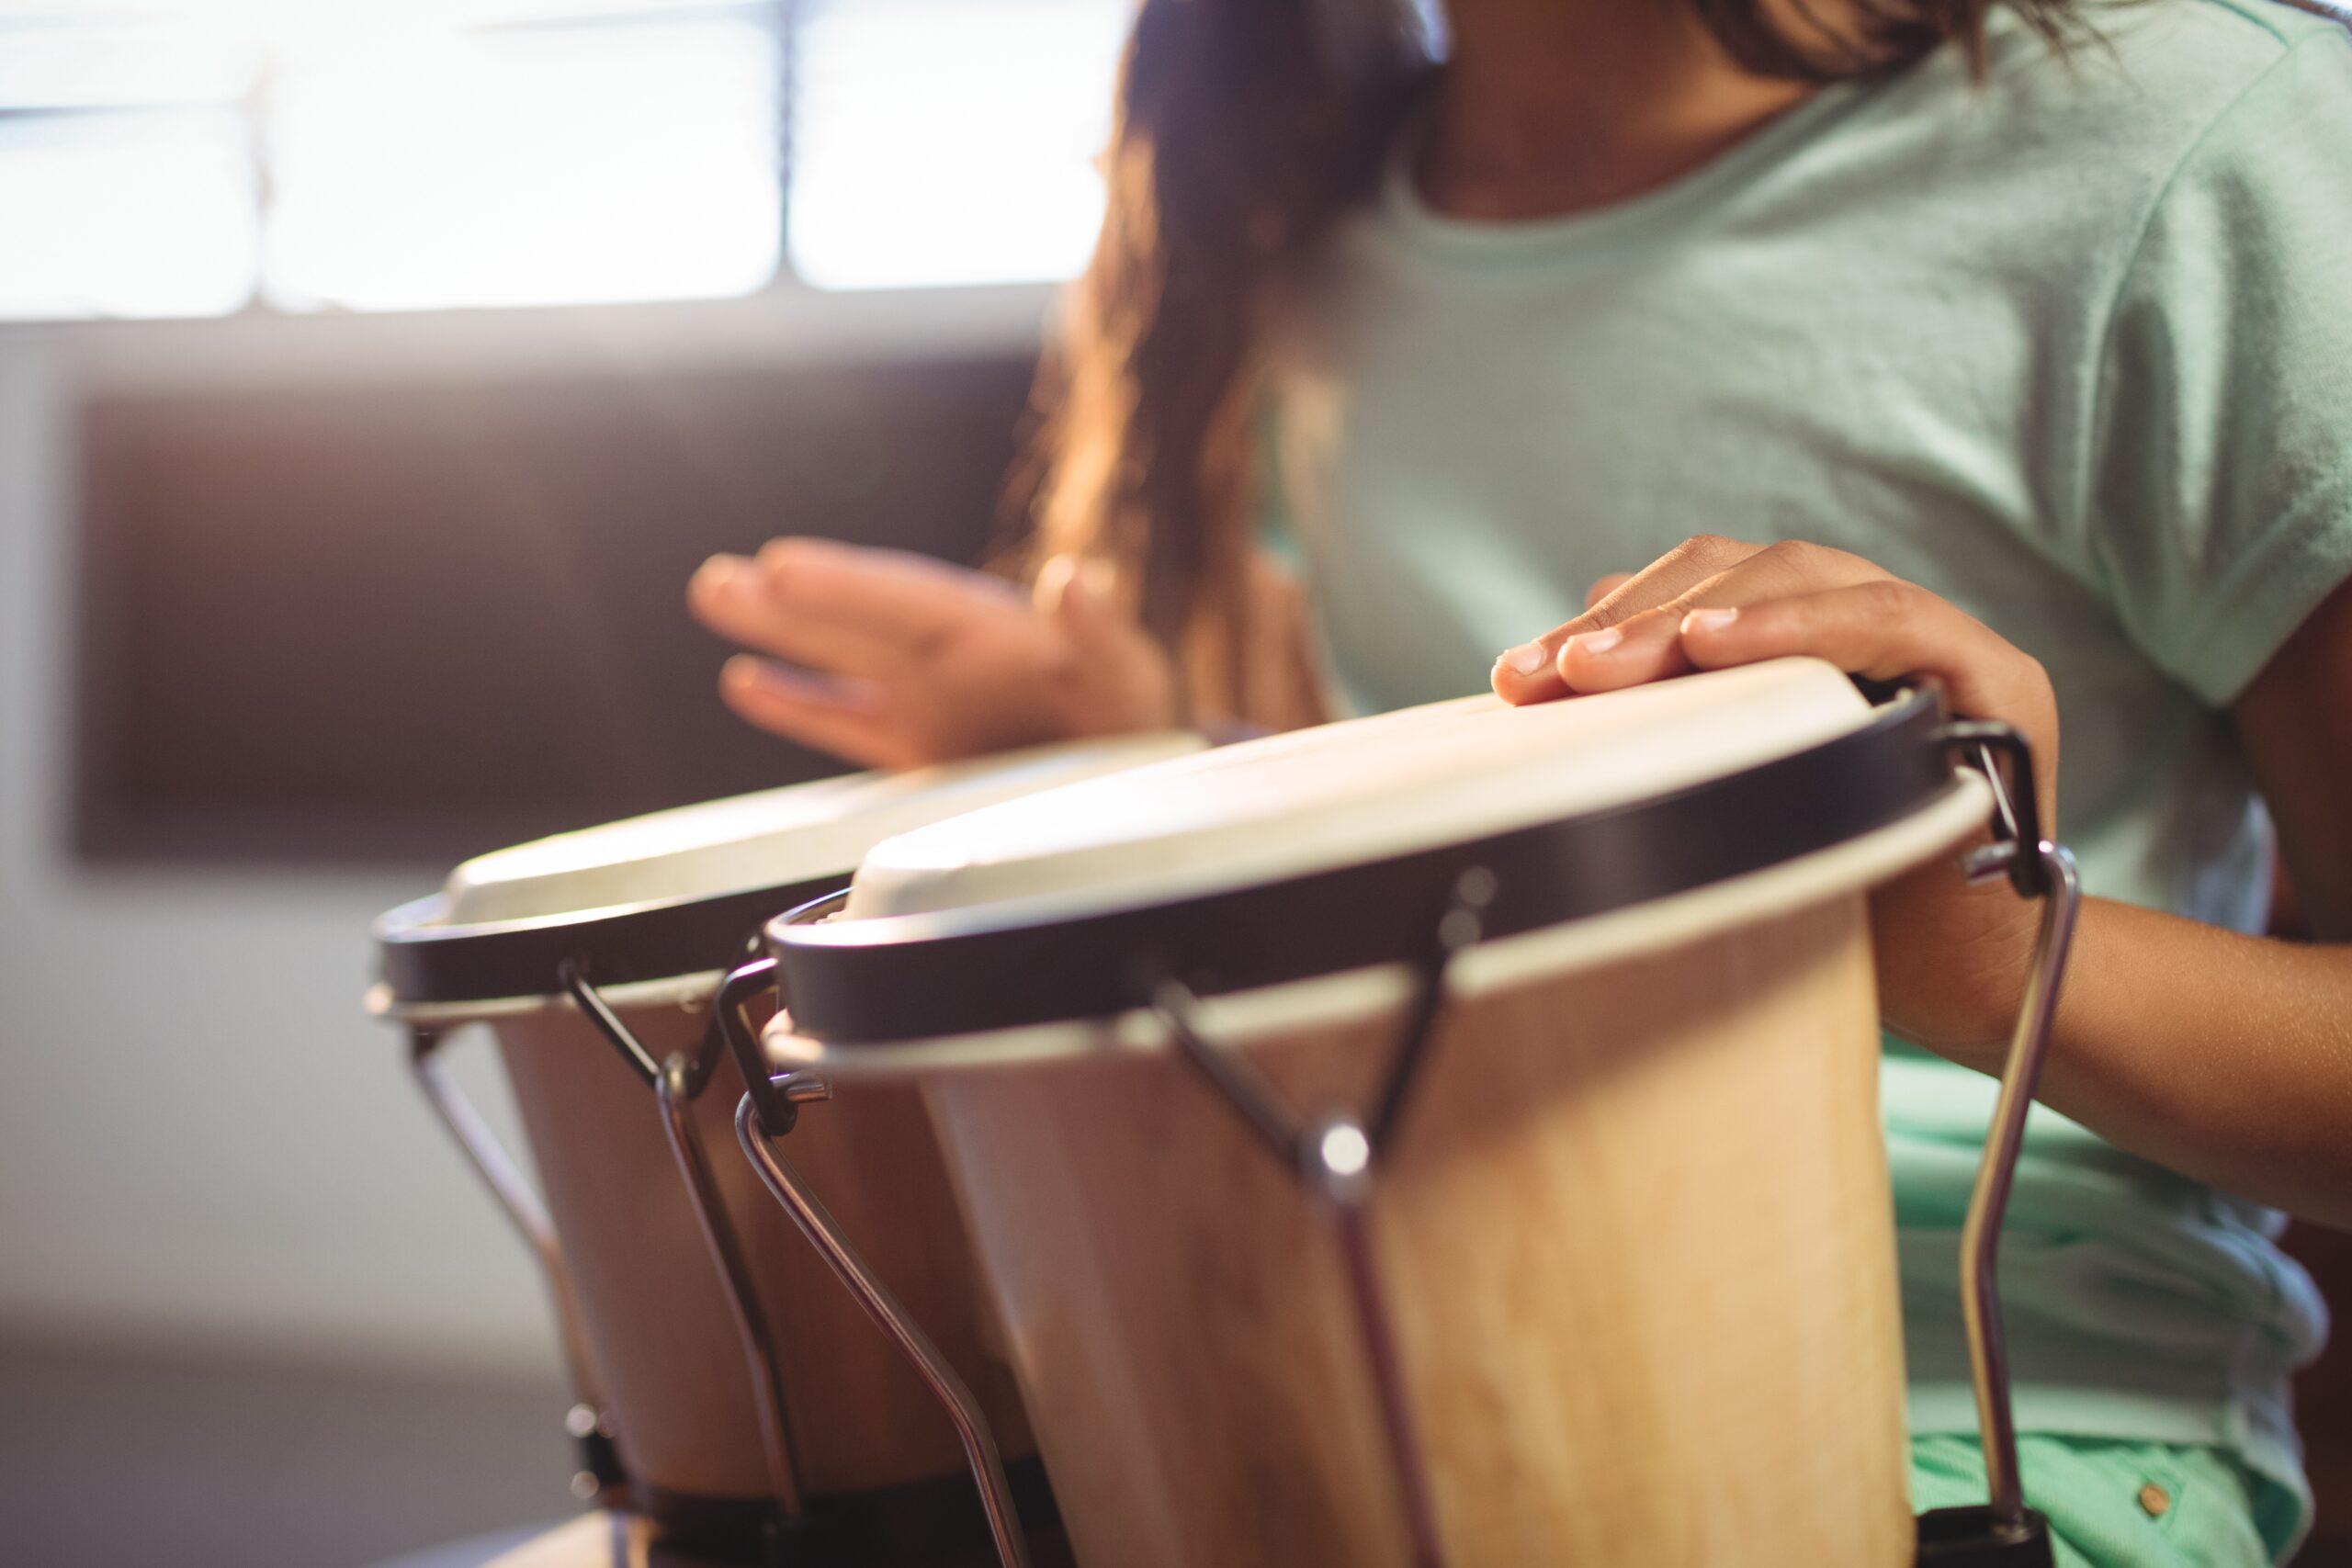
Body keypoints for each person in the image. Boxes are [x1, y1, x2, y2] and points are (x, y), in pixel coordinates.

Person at [686, 0, 2352, 1560]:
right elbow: (1423, 906)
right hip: (1332, 1391)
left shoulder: (2193, 148)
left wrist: (1986, 958)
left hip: (1977, 1432)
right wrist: (1136, 775)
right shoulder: (1297, 247)